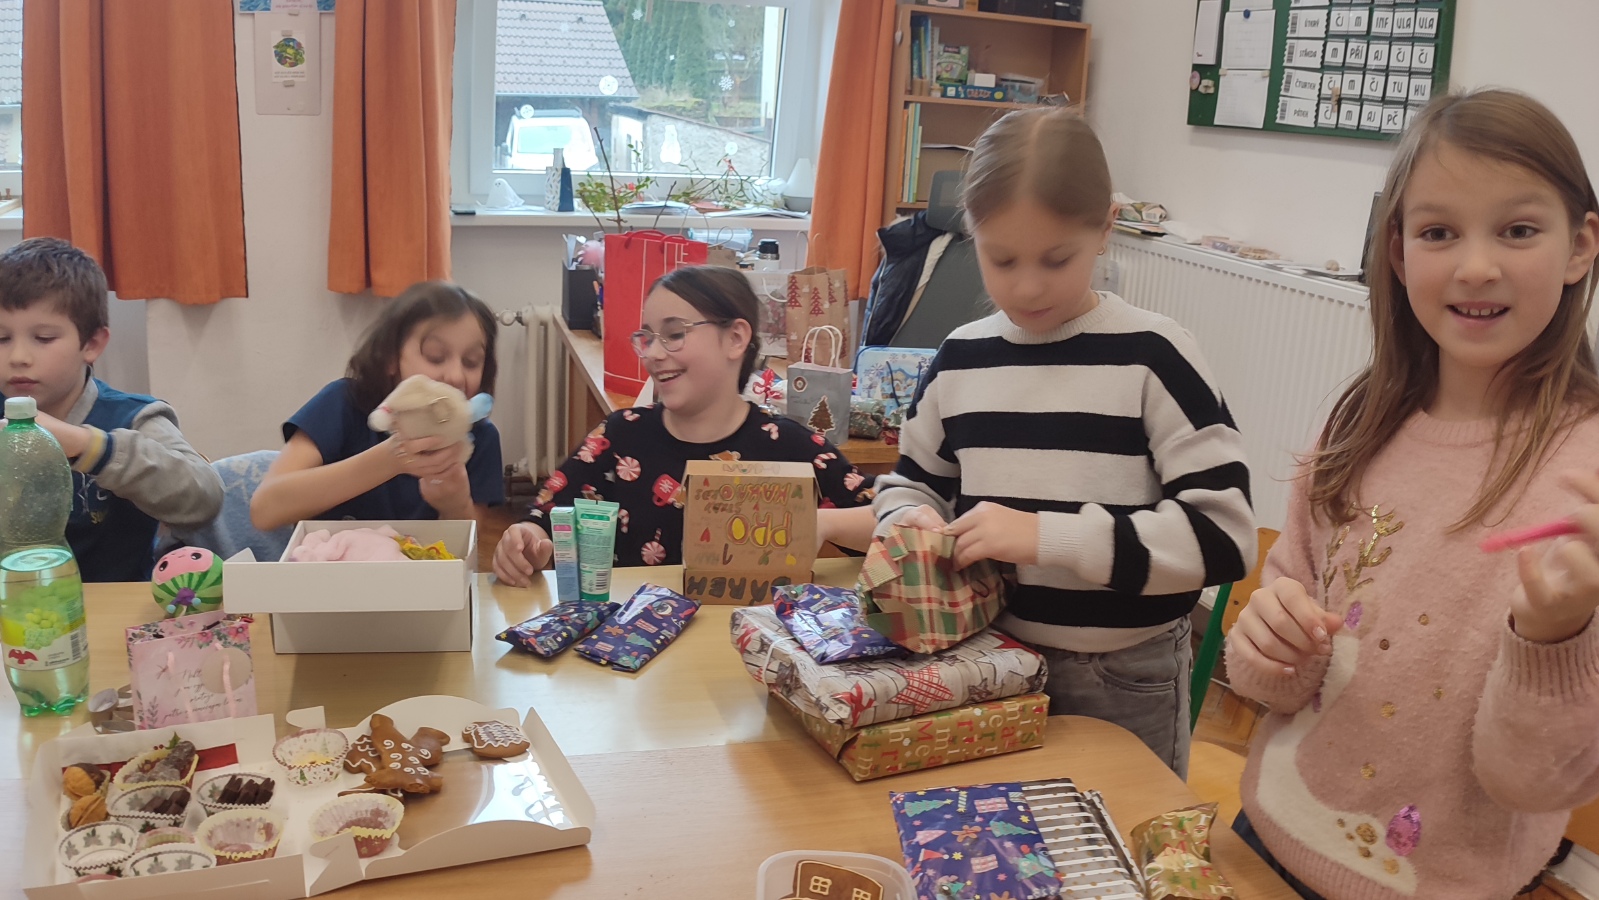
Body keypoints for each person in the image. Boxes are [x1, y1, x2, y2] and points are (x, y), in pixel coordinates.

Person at [1225, 90, 1599, 900]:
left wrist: (1553, 634)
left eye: (1517, 230)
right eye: (1438, 233)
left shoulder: (1586, 480)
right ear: (1396, 253)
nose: (1475, 266)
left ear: (1579, 246)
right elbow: (1270, 679)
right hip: (1263, 840)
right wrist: (1266, 639)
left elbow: (1531, 783)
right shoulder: (1357, 421)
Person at [871, 107, 1255, 777]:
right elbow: (911, 483)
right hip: (988, 659)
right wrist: (909, 519)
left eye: (1057, 259)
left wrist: (1048, 537)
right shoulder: (960, 358)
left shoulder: (1155, 354)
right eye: (1001, 259)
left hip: (1124, 675)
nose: (1026, 286)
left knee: (1120, 834)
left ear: (1105, 228)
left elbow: (1223, 537)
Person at [493, 265, 876, 585]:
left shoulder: (788, 445)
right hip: (635, 641)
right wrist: (528, 540)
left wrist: (821, 523)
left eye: (675, 334)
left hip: (742, 643)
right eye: (647, 338)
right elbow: (545, 515)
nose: (654, 354)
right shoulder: (620, 435)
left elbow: (892, 520)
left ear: (735, 338)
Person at [0, 237, 222, 581]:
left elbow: (203, 499)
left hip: (112, 602)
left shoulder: (134, 418)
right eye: (2, 339)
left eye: (44, 338)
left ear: (91, 343)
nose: (18, 357)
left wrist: (89, 447)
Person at [252, 281, 504, 530]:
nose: (456, 376)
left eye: (471, 362)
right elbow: (264, 509)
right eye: (435, 357)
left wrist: (455, 504)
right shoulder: (344, 402)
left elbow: (470, 541)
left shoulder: (480, 437)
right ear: (391, 358)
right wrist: (390, 460)